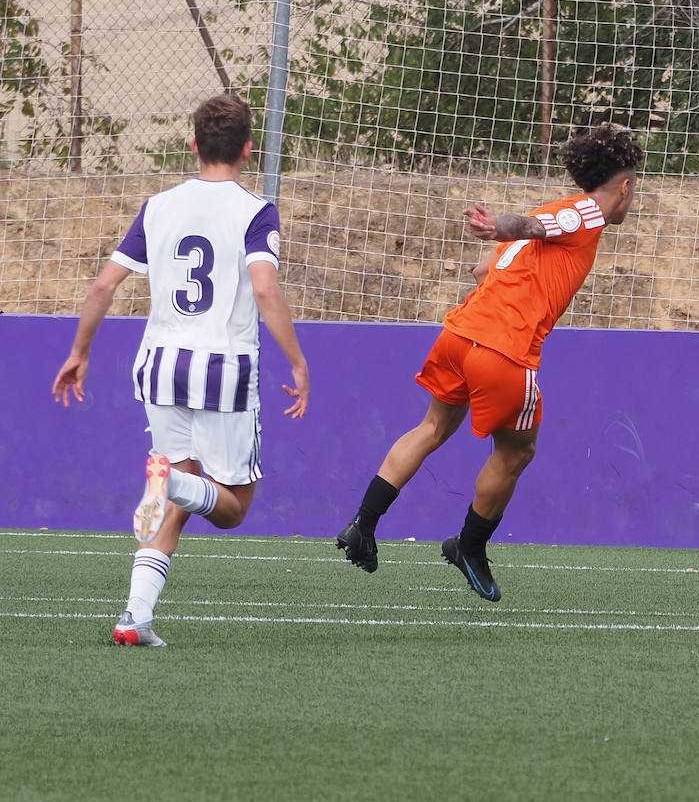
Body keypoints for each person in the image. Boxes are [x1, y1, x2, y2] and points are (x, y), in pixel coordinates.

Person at [335, 122, 644, 602]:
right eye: (634, 189)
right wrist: (497, 226)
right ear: (623, 186)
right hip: (503, 351)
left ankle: (363, 525)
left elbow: (486, 268)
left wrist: (506, 250)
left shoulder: (559, 215)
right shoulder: (584, 213)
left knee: (432, 428)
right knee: (517, 451)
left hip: (459, 335)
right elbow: (529, 227)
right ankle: (470, 545)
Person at [52, 93, 310, 645]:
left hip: (161, 367)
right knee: (234, 507)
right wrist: (297, 359)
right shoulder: (255, 210)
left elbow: (104, 284)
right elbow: (264, 287)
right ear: (248, 150)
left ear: (193, 146)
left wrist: (79, 352)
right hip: (223, 370)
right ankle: (166, 480)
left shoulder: (159, 206)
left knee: (182, 496)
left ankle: (134, 619)